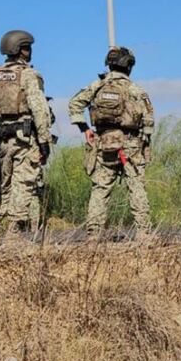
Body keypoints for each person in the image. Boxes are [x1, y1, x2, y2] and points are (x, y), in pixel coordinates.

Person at [68, 47, 154, 239]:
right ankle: (144, 233)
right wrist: (145, 142)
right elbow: (149, 120)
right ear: (129, 65)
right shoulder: (134, 89)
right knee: (136, 186)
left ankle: (93, 235)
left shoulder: (97, 85)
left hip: (104, 144)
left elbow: (74, 104)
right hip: (130, 144)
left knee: (100, 188)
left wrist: (85, 129)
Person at [0, 30, 54, 236]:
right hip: (24, 141)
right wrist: (45, 140)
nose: (29, 51)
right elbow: (40, 109)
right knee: (24, 184)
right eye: (27, 47)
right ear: (20, 49)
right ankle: (14, 234)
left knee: (2, 186)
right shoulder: (28, 74)